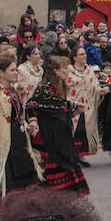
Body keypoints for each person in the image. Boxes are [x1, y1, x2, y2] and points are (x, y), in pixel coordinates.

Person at [0, 51, 42, 210]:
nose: (16, 72)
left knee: (27, 181)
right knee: (8, 186)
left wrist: (28, 124)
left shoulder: (12, 90)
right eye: (12, 70)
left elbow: (18, 115)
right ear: (1, 72)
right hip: (5, 143)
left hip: (19, 140)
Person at [27, 56, 88, 194]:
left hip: (60, 133)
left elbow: (58, 110)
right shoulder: (45, 87)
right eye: (64, 68)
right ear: (55, 71)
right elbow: (33, 105)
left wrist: (74, 110)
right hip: (50, 135)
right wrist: (33, 121)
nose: (68, 70)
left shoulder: (59, 85)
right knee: (52, 171)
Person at [65, 43, 101, 155]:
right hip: (74, 105)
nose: (84, 56)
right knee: (74, 130)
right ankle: (73, 153)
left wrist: (100, 91)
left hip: (88, 106)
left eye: (84, 53)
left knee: (85, 130)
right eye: (81, 54)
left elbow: (95, 85)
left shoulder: (89, 70)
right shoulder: (68, 71)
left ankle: (81, 154)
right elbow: (65, 87)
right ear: (74, 57)